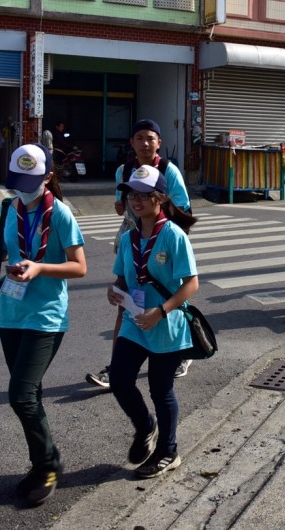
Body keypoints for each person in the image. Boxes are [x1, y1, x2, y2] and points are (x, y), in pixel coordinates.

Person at [0, 143, 86, 506]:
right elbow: (8, 255)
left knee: (20, 395)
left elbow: (80, 266)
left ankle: (48, 464)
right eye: (17, 180)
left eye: (30, 180)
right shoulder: (7, 208)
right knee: (31, 393)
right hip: (11, 314)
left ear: (47, 176)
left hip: (45, 316)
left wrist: (40, 267)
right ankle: (40, 463)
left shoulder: (59, 214)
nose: (22, 187)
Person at [106, 164, 199, 478]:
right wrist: (115, 290)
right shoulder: (130, 237)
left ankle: (168, 451)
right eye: (132, 193)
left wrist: (161, 311)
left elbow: (191, 284)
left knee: (161, 390)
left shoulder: (173, 235)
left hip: (166, 325)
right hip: (135, 321)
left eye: (144, 194)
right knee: (119, 378)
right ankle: (146, 425)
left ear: (160, 198)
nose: (136, 200)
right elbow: (122, 277)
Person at [89, 119, 191, 389]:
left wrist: (164, 237)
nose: (145, 143)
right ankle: (116, 367)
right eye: (139, 138)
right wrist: (122, 205)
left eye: (150, 138)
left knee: (171, 297)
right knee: (127, 301)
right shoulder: (123, 171)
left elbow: (183, 207)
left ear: (158, 142)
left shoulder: (169, 170)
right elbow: (120, 203)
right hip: (131, 238)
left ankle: (179, 350)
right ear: (131, 142)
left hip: (162, 239)